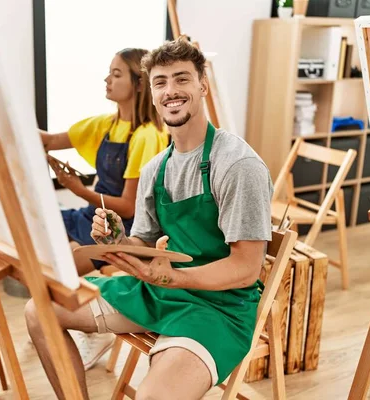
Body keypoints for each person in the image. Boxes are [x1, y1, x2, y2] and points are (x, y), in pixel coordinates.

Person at [26, 37, 273, 400]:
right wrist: (117, 242)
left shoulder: (236, 164)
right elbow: (142, 241)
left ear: (203, 85)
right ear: (153, 93)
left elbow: (247, 268)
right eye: (161, 82)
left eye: (182, 79)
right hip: (161, 292)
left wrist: (175, 277)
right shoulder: (157, 168)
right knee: (40, 309)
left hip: (218, 309)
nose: (171, 90)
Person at [40, 48, 169, 371]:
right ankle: (63, 323)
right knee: (39, 233)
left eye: (116, 74)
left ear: (139, 84)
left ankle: (69, 328)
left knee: (55, 274)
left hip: (119, 229)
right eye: (108, 72)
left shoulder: (147, 135)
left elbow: (128, 206)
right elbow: (49, 140)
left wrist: (79, 190)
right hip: (92, 215)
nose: (107, 79)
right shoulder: (107, 125)